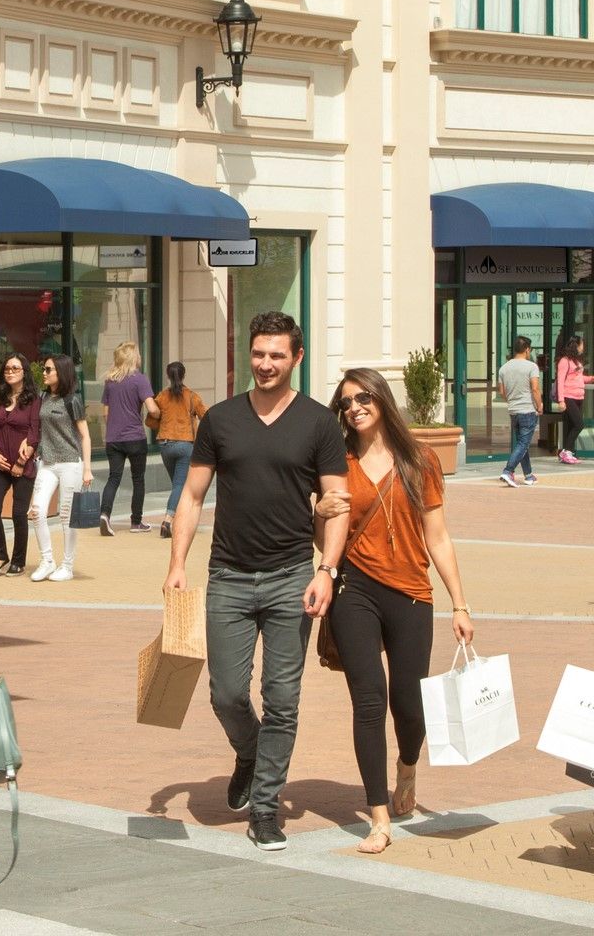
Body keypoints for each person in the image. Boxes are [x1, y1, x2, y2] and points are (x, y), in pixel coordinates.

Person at [165, 311, 350, 852]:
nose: (266, 364)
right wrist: (177, 564)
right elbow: (192, 496)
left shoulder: (318, 423)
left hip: (292, 577)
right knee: (225, 693)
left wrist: (327, 570)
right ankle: (249, 752)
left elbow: (337, 503)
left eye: (277, 355)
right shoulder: (221, 420)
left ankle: (266, 809)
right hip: (228, 575)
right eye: (258, 354)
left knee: (282, 700)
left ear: (297, 358)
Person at [319, 368, 474, 855]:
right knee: (368, 702)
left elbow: (438, 538)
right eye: (346, 402)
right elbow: (325, 535)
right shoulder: (338, 462)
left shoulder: (419, 459)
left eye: (363, 397)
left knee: (408, 704)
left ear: (382, 399)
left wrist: (460, 603)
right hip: (355, 591)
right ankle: (379, 815)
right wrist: (316, 514)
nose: (355, 408)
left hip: (411, 593)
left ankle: (407, 764)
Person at [31, 354, 93, 581]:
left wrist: (87, 469)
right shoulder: (43, 397)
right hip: (47, 463)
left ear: (61, 372)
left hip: (70, 463)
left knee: (67, 516)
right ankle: (47, 561)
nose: (44, 373)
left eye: (48, 370)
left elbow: (85, 436)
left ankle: (67, 566)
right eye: (44, 369)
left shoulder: (72, 400)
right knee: (37, 511)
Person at [0, 353, 40, 574]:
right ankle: (1, 556)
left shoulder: (33, 400)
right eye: (7, 368)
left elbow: (35, 432)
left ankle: (18, 561)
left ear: (24, 372)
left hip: (23, 466)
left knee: (18, 514)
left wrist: (21, 462)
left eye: (15, 368)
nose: (10, 372)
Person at [99, 340, 158, 535]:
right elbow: (152, 409)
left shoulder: (110, 382)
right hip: (134, 437)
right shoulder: (140, 380)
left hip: (113, 439)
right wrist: (159, 415)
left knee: (113, 477)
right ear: (133, 358)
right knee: (138, 479)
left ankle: (105, 514)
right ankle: (136, 522)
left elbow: (106, 413)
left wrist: (114, 428)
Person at [146, 360, 206, 537]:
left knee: (177, 485)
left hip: (165, 445)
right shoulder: (192, 396)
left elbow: (150, 421)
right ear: (184, 375)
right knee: (180, 485)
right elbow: (206, 417)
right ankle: (167, 521)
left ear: (168, 375)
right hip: (185, 445)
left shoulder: (162, 396)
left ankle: (179, 520)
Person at [496, 335, 543, 487]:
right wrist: (539, 405)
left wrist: (512, 400)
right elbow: (535, 389)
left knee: (523, 444)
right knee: (523, 443)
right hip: (527, 410)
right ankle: (508, 471)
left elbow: (502, 392)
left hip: (513, 411)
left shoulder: (504, 368)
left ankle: (528, 475)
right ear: (527, 350)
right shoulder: (531, 367)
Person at [554, 332, 594, 465]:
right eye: (582, 344)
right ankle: (566, 451)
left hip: (579, 396)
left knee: (571, 425)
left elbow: (579, 378)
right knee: (579, 424)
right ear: (576, 345)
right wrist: (561, 400)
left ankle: (567, 453)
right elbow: (560, 381)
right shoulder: (564, 361)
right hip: (568, 396)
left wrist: (591, 378)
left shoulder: (576, 361)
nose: (583, 346)